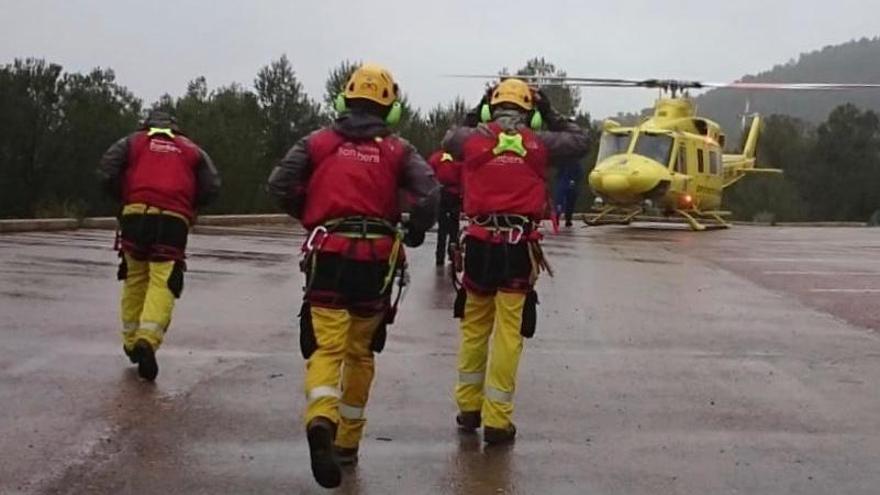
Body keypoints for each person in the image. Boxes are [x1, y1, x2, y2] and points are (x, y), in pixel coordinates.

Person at [267, 63, 439, 489]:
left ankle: (320, 419)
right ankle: (347, 442)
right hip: (376, 262)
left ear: (343, 101)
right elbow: (431, 194)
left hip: (328, 255)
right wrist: (416, 228)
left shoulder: (318, 142)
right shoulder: (399, 150)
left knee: (327, 347)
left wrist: (312, 214)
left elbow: (279, 183)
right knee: (361, 352)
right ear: (391, 110)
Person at [443, 78, 589, 444]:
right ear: (530, 111)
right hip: (517, 248)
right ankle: (497, 419)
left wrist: (479, 106)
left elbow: (452, 135)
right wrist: (550, 110)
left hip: (478, 245)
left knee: (475, 328)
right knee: (508, 333)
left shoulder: (471, 140)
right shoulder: (541, 143)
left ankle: (468, 409)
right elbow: (580, 139)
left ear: (493, 106)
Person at [97, 111, 221, 381]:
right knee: (163, 281)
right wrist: (190, 203)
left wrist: (124, 196)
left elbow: (107, 169)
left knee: (134, 278)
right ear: (175, 129)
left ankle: (131, 342)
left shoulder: (134, 142)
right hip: (173, 221)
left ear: (147, 125)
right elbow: (212, 185)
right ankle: (148, 339)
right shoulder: (191, 149)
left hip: (135, 214)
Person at [428, 150, 463, 266]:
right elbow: (464, 177)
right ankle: (453, 255)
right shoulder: (459, 158)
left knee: (442, 228)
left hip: (441, 194)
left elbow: (429, 175)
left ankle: (439, 257)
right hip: (455, 195)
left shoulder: (436, 157)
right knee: (454, 226)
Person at [554, 159, 583, 227]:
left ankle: (566, 219)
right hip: (565, 185)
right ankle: (559, 217)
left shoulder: (575, 163)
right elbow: (580, 173)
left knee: (567, 203)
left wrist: (574, 179)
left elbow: (580, 174)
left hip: (568, 185)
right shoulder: (563, 163)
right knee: (562, 202)